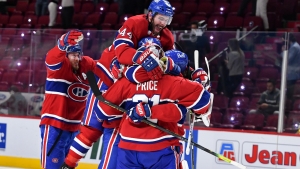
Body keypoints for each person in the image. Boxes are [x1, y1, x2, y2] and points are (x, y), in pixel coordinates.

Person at [60, 38, 182, 169]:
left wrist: (186, 72)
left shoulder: (161, 53)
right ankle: (68, 164)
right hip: (109, 101)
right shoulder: (124, 56)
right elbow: (99, 118)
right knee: (92, 132)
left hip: (141, 128)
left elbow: (179, 70)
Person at [94, 51, 211, 168]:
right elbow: (203, 104)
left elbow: (101, 112)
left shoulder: (126, 81)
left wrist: (116, 98)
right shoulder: (176, 83)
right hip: (161, 148)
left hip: (128, 148)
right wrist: (200, 84)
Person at [39, 30, 101, 169]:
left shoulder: (86, 66)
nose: (76, 58)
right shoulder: (59, 68)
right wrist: (62, 44)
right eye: (73, 55)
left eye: (78, 55)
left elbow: (103, 67)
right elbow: (51, 58)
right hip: (55, 125)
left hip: (74, 129)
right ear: (66, 56)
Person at [281, 34, 300, 98]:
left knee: (290, 94)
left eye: (284, 41)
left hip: (293, 74)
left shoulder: (294, 47)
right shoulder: (293, 46)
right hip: (292, 73)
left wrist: (284, 52)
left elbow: (288, 59)